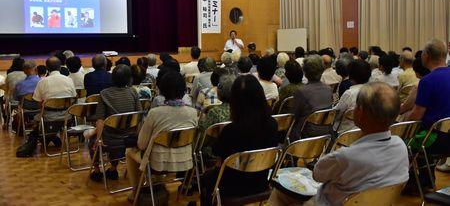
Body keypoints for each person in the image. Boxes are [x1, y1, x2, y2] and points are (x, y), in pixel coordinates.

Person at [269, 82, 409, 206]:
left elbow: (317, 175)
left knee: (279, 191)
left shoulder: (347, 156)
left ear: (359, 113)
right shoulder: (401, 146)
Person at [200, 75, 278, 206]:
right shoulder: (272, 124)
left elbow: (218, 156)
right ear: (260, 96)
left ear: (234, 101)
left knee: (205, 179)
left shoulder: (231, 130)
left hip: (231, 187)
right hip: (261, 181)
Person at [125, 71, 197, 201]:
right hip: (185, 161)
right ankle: (159, 184)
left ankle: (135, 191)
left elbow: (141, 144)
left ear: (161, 90)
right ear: (183, 90)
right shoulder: (193, 113)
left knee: (129, 151)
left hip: (158, 163)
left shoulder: (155, 113)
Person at [406, 39, 450, 189]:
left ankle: (415, 183)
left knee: (404, 141)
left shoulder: (427, 81)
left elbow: (416, 115)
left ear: (426, 56)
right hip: (445, 135)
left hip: (436, 139)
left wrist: (402, 124)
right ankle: (426, 180)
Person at [89, 65, 141, 182]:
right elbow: (139, 115)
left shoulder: (104, 93)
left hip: (110, 139)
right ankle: (113, 168)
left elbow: (100, 119)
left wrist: (98, 139)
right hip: (130, 138)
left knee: (92, 141)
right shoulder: (133, 92)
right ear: (129, 79)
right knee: (115, 134)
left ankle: (97, 171)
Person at [291, 55, 332, 140]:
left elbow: (294, 116)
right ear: (322, 71)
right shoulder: (329, 89)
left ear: (305, 72)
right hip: (325, 132)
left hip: (305, 135)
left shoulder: (301, 92)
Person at [334, 60, 372, 132]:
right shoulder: (373, 90)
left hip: (346, 133)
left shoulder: (349, 94)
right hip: (366, 130)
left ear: (351, 75)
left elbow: (336, 114)